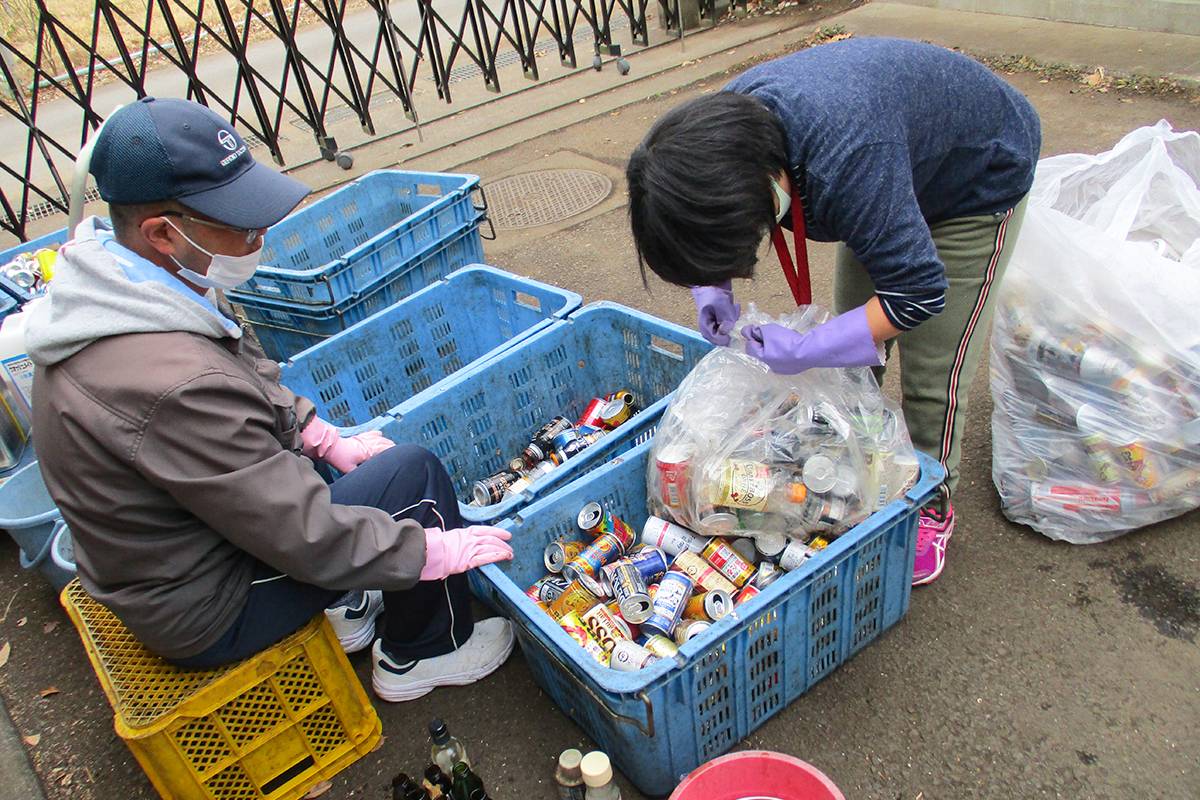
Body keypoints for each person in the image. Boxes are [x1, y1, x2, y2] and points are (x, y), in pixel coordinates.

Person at [26, 97, 515, 702]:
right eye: (240, 226)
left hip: (169, 554)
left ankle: (351, 604)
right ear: (161, 231)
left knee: (324, 465)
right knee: (414, 478)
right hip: (208, 607)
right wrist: (423, 550)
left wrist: (316, 433)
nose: (258, 238)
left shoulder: (125, 282)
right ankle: (422, 653)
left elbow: (238, 360)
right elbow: (306, 533)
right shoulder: (173, 384)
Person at [626, 37, 1041, 585]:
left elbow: (916, 293)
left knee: (932, 374)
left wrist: (806, 348)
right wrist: (709, 286)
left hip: (975, 180)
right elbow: (705, 215)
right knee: (851, 364)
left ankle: (929, 502)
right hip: (893, 169)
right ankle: (850, 477)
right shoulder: (720, 139)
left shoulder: (849, 159)